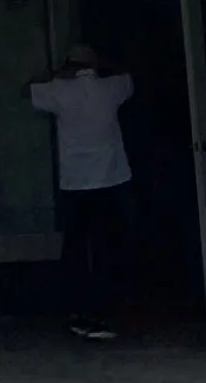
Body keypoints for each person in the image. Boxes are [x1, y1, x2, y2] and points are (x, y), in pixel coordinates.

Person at [28, 44, 133, 340]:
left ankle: (78, 310)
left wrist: (57, 71)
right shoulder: (110, 87)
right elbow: (128, 76)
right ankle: (104, 312)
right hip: (112, 178)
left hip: (75, 182)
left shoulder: (60, 91)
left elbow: (28, 89)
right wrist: (104, 62)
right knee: (107, 247)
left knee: (75, 248)